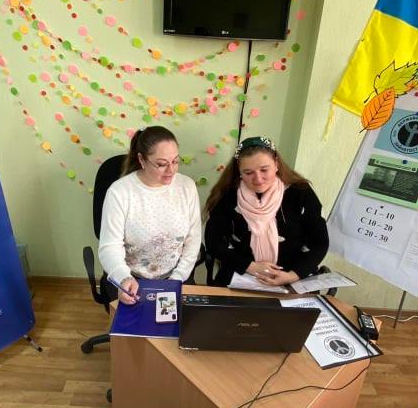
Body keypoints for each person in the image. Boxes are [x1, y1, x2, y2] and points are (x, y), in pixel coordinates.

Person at [203, 136, 328, 287]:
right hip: (241, 273)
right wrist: (251, 267)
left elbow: (320, 243)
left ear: (276, 164)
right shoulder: (229, 194)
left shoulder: (300, 192)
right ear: (239, 171)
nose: (258, 179)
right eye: (248, 172)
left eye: (264, 170)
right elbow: (213, 241)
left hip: (292, 276)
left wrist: (291, 276)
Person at [99, 126, 201, 304]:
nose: (171, 170)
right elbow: (109, 246)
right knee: (138, 320)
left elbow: (193, 240)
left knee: (181, 321)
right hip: (131, 279)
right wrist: (124, 278)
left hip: (177, 276)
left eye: (175, 161)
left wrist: (177, 279)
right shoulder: (120, 192)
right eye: (161, 164)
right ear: (142, 160)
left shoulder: (187, 186)